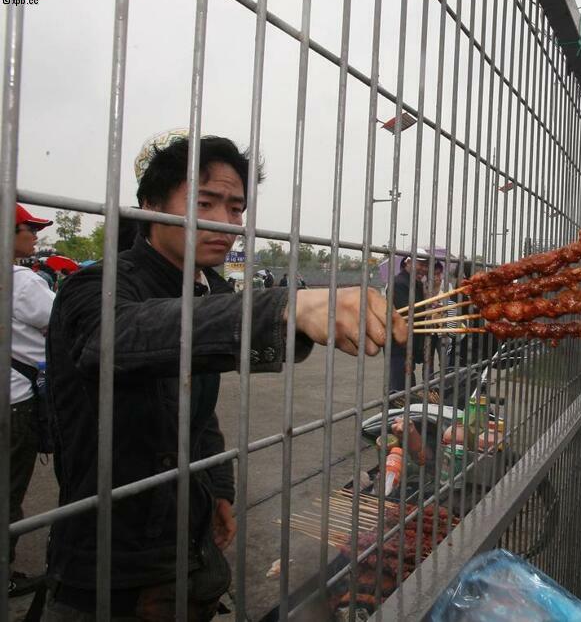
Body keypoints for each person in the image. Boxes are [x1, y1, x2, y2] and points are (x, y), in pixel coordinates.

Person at [43, 132, 406, 620]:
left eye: (236, 208)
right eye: (204, 203)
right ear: (151, 204)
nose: (225, 223)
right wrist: (284, 308)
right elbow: (117, 339)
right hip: (109, 556)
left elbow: (198, 410)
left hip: (187, 538)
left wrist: (218, 489)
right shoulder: (98, 285)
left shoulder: (207, 287)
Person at [8, 204, 54, 598]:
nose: (35, 235)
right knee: (7, 490)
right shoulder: (22, 281)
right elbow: (64, 322)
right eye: (29, 228)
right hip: (15, 400)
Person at [389, 256, 428, 405]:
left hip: (411, 342)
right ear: (408, 262)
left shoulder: (416, 283)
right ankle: (393, 419)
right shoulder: (399, 283)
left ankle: (404, 419)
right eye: (421, 264)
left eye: (426, 266)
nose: (424, 269)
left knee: (408, 385)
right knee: (399, 388)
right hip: (399, 342)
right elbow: (405, 313)